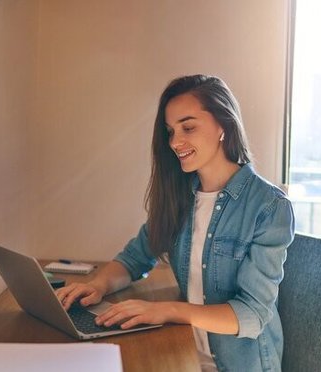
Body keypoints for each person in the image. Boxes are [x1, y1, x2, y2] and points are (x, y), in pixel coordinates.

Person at [55, 74, 295, 371]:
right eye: (170, 132)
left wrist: (166, 310)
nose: (175, 142)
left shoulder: (268, 207)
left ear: (224, 124)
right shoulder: (180, 196)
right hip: (185, 355)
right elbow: (136, 257)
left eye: (188, 127)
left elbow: (252, 314)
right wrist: (97, 285)